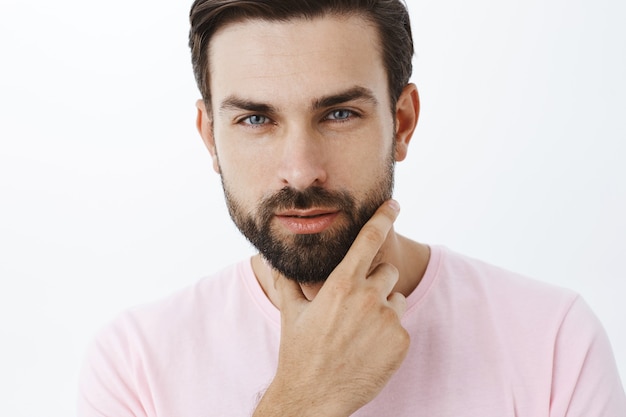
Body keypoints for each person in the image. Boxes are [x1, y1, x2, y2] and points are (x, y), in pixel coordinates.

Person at [78, 0, 626, 415]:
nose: (300, 170)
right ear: (210, 138)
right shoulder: (135, 363)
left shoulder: (554, 340)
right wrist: (303, 397)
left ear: (402, 123)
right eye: (255, 119)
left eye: (339, 114)